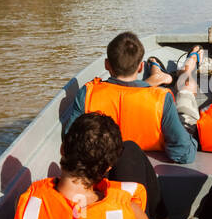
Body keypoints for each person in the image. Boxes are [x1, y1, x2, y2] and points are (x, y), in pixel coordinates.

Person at [15, 112, 165, 219]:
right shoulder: (131, 213)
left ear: (62, 149)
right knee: (131, 149)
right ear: (108, 168)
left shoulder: (26, 204)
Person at [65, 31, 197, 164]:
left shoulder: (87, 94)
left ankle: (157, 76)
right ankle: (187, 72)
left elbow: (70, 142)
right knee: (186, 93)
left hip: (104, 157)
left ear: (106, 65)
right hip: (154, 109)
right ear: (140, 67)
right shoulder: (162, 99)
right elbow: (184, 153)